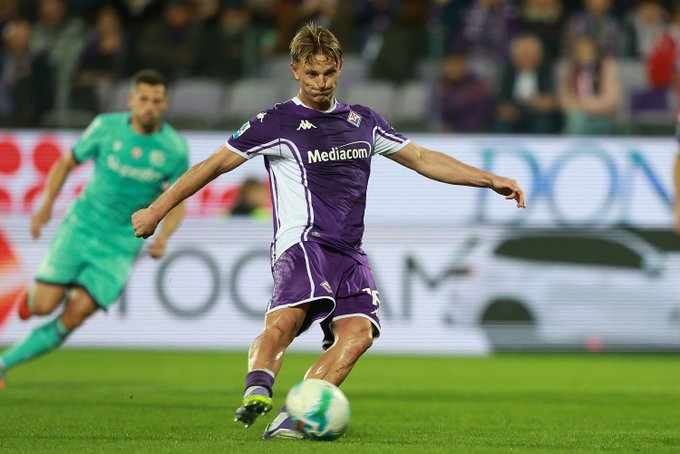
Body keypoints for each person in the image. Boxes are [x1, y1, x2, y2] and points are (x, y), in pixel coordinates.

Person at [131, 23, 525, 440]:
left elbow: (424, 158)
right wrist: (156, 212)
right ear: (295, 70)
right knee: (286, 321)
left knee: (358, 336)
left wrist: (489, 179)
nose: (321, 83)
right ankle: (257, 390)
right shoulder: (275, 122)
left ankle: (295, 418)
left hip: (349, 252)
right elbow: (211, 166)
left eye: (329, 73)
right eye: (312, 74)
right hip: (304, 242)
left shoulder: (364, 121)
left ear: (340, 69)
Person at [0, 69, 189, 386]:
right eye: (143, 99)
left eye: (156, 101)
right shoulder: (106, 128)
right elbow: (66, 163)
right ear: (130, 100)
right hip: (81, 227)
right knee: (43, 305)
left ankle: (4, 363)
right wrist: (46, 205)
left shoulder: (174, 148)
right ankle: (30, 302)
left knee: (74, 316)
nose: (149, 107)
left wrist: (164, 236)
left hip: (120, 245)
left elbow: (179, 198)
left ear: (165, 104)